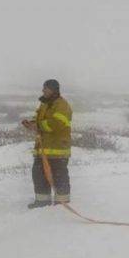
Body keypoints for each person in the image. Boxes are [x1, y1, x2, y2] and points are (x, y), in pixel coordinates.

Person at [21, 79, 73, 208]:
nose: (43, 90)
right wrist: (31, 124)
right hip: (43, 149)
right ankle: (42, 201)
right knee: (39, 175)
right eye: (43, 88)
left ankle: (62, 202)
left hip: (58, 149)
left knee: (59, 176)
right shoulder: (44, 104)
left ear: (54, 90)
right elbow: (40, 120)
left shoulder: (62, 105)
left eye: (46, 88)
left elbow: (56, 124)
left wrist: (37, 126)